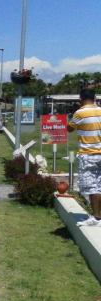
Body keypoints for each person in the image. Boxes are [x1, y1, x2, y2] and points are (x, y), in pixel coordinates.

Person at [67, 88, 101, 226]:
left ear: (80, 99)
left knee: (92, 187)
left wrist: (75, 111)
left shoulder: (80, 113)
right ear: (94, 98)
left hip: (89, 154)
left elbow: (69, 128)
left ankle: (96, 218)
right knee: (99, 185)